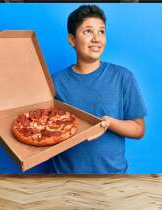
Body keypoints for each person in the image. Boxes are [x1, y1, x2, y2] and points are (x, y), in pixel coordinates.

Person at [49, 5, 147, 174]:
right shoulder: (54, 81)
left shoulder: (123, 77)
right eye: (88, 31)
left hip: (112, 178)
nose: (96, 38)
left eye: (101, 31)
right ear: (71, 39)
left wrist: (109, 123)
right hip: (65, 179)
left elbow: (138, 129)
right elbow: (35, 123)